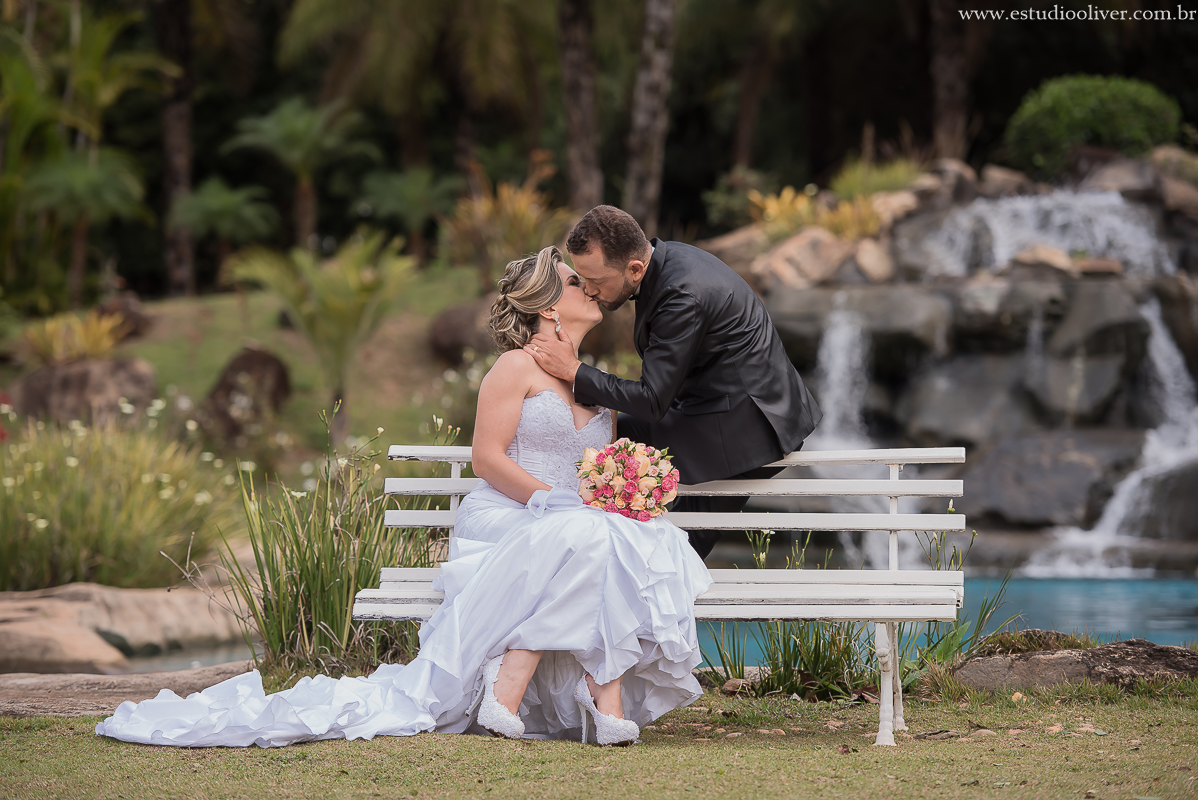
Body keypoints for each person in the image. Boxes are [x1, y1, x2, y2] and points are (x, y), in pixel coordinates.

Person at [94, 246, 711, 748]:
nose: (593, 290)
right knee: (589, 534)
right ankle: (595, 691)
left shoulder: (593, 380)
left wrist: (619, 486)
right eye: (577, 283)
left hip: (571, 522)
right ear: (550, 306)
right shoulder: (514, 370)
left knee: (628, 534)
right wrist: (551, 500)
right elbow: (487, 458)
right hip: (511, 512)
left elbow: (604, 458)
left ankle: (544, 682)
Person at [526, 205, 822, 559]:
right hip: (726, 407)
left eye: (595, 281)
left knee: (678, 545)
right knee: (612, 437)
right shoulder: (666, 262)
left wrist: (574, 371)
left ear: (634, 269)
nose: (589, 290)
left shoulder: (680, 294)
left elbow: (652, 401)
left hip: (747, 426)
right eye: (581, 278)